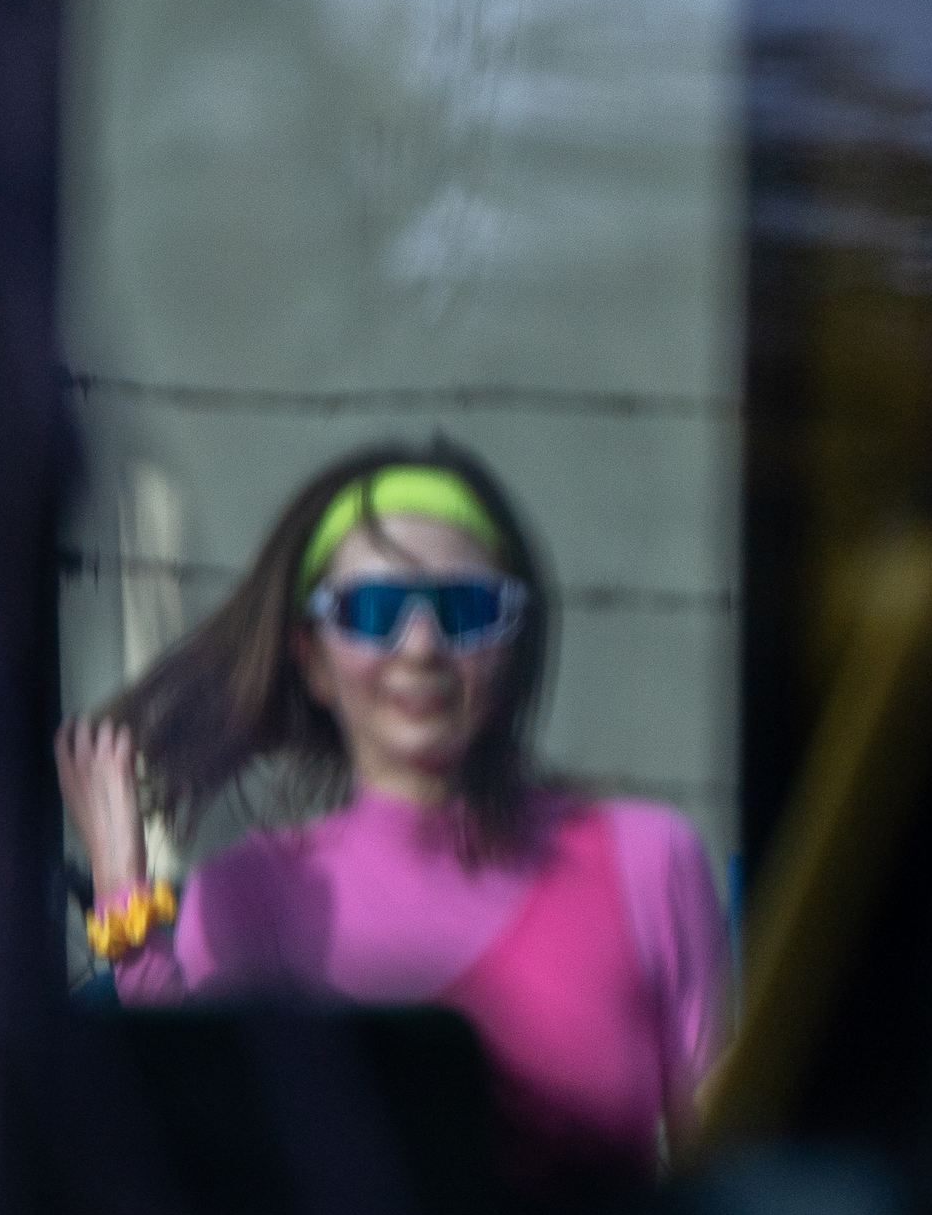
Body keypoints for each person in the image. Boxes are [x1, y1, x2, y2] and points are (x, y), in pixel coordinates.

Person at [53, 441, 730, 1177]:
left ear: (515, 640)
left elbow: (728, 1174)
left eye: (464, 609)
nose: (420, 647)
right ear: (311, 657)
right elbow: (204, 1166)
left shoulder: (647, 861)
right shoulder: (249, 897)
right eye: (372, 612)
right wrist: (127, 920)